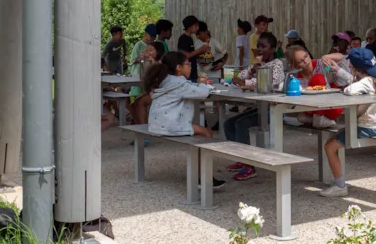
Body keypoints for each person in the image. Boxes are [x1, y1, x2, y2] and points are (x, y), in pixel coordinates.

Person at [144, 51, 225, 189]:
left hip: (156, 124)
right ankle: (204, 178)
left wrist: (198, 84)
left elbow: (191, 90)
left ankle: (202, 175)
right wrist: (203, 83)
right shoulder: (180, 84)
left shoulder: (164, 81)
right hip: (170, 124)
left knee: (201, 132)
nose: (190, 67)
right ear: (178, 68)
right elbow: (202, 93)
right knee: (207, 134)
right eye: (188, 64)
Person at [320, 48, 376, 199]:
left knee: (330, 147)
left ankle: (340, 186)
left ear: (354, 68)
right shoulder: (375, 79)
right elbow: (354, 81)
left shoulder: (365, 82)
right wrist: (338, 70)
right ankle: (339, 179)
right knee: (333, 138)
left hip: (368, 128)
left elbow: (350, 89)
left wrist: (346, 79)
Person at [224, 32, 286, 180]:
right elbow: (239, 77)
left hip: (274, 109)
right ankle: (241, 157)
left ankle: (249, 166)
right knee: (228, 124)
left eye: (264, 46)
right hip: (261, 108)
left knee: (241, 124)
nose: (260, 49)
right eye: (258, 46)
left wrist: (247, 82)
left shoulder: (277, 64)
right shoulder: (258, 65)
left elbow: (269, 83)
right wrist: (251, 70)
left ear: (272, 49)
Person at [285, 45, 342, 129]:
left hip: (328, 104)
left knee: (318, 78)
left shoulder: (320, 64)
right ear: (296, 66)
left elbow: (341, 56)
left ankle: (318, 120)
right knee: (301, 116)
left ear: (308, 54)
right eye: (301, 61)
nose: (306, 61)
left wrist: (327, 56)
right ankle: (319, 120)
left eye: (306, 57)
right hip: (312, 108)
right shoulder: (297, 79)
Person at [129, 24, 157, 97]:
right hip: (137, 75)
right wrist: (142, 58)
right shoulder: (138, 45)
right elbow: (132, 60)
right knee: (136, 96)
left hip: (147, 75)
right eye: (151, 36)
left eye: (154, 36)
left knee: (146, 95)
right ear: (145, 34)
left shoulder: (154, 46)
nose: (153, 38)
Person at [178, 16, 208, 82]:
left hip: (193, 72)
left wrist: (202, 52)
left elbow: (192, 54)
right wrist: (201, 48)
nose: (198, 28)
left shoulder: (190, 38)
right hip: (187, 74)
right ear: (190, 26)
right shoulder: (183, 39)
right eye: (196, 26)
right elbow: (187, 55)